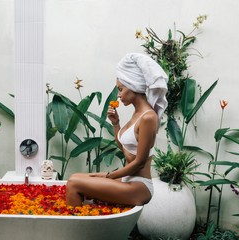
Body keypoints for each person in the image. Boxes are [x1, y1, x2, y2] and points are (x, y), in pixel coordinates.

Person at [66, 53, 168, 207]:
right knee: (74, 177)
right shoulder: (137, 114)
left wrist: (109, 176)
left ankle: (76, 229)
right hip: (128, 179)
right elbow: (126, 150)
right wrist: (116, 124)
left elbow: (139, 162)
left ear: (133, 86)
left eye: (120, 89)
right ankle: (85, 220)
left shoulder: (148, 117)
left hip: (139, 187)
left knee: (74, 183)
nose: (119, 95)